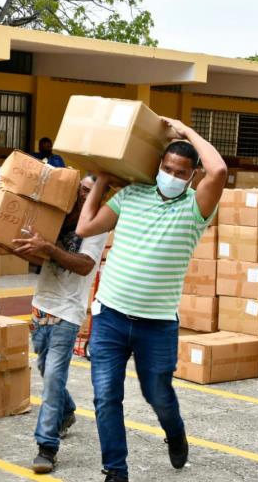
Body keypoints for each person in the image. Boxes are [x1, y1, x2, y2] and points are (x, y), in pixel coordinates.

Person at [76, 118, 227, 481]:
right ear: (158, 166)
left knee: (157, 394)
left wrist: (185, 131)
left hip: (157, 325)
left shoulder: (195, 208)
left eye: (181, 172)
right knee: (105, 397)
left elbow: (218, 169)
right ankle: (116, 470)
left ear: (192, 177)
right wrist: (101, 180)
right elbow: (86, 227)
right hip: (111, 316)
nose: (172, 175)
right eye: (167, 168)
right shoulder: (132, 195)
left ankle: (175, 433)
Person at [8, 175, 107, 475]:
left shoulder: (97, 226)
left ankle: (46, 447)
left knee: (52, 378)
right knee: (44, 370)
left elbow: (84, 265)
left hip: (68, 311)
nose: (82, 196)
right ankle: (66, 413)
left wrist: (49, 248)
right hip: (41, 304)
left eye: (90, 192)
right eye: (80, 190)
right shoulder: (57, 218)